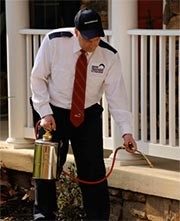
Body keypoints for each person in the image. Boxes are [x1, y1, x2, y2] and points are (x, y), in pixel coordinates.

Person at [31, 8, 137, 221]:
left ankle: (97, 217)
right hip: (53, 111)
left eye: (97, 38)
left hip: (87, 113)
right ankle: (43, 215)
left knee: (94, 172)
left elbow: (117, 97)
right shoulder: (53, 42)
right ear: (76, 32)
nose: (93, 44)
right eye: (88, 39)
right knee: (46, 169)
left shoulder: (110, 56)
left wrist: (126, 132)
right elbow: (38, 78)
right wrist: (44, 112)